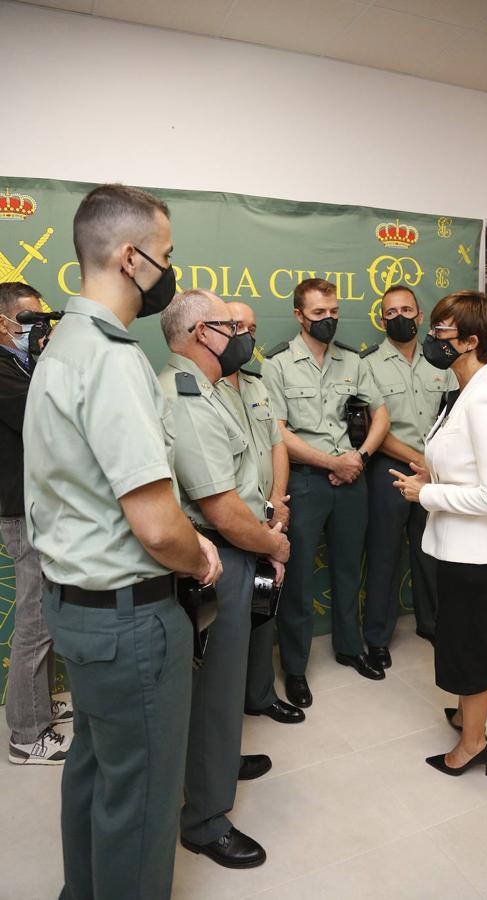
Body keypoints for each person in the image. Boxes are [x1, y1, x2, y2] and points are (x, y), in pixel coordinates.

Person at [23, 184, 220, 900]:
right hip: (129, 620)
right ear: (132, 257)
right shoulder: (110, 358)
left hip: (79, 609)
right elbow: (158, 525)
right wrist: (201, 555)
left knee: (96, 773)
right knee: (138, 805)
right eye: (165, 256)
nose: (169, 270)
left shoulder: (64, 343)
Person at [159, 290, 290, 869]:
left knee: (225, 680)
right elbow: (221, 510)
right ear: (196, 334)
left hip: (237, 548)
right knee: (214, 691)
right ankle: (206, 819)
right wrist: (275, 543)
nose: (238, 333)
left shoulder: (214, 389)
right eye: (225, 325)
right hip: (219, 557)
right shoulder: (186, 395)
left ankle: (220, 763)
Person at [392, 291, 487, 777]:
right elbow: (466, 472)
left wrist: (426, 497)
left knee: (470, 643)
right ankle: (468, 714)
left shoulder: (485, 400)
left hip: (476, 550)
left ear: (469, 342)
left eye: (442, 332)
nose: (431, 338)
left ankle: (473, 743)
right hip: (457, 545)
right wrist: (434, 480)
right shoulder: (464, 391)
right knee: (458, 637)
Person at [261, 278, 389, 709]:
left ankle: (350, 648)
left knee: (350, 569)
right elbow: (278, 432)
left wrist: (360, 459)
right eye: (318, 314)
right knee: (297, 581)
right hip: (305, 481)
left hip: (353, 479)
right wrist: (331, 463)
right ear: (299, 315)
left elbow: (381, 414)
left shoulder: (353, 359)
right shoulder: (277, 364)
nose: (328, 320)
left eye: (333, 312)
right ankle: (295, 668)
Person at [361, 286, 457, 668]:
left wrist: (435, 465)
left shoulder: (441, 362)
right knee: (384, 553)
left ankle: (430, 622)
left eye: (406, 310)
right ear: (381, 319)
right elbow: (373, 429)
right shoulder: (367, 364)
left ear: (420, 317)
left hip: (434, 472)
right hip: (392, 469)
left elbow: (451, 416)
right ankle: (377, 636)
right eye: (390, 311)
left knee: (430, 549)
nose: (399, 316)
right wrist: (419, 460)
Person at [219, 300, 303, 724]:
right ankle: (227, 710)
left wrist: (278, 503)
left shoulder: (255, 384)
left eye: (252, 328)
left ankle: (260, 694)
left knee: (264, 607)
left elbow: (277, 444)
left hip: (270, 513)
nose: (246, 337)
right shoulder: (202, 389)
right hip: (229, 522)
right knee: (227, 624)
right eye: (236, 326)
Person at [0, 282, 72, 766]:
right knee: (35, 621)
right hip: (21, 511)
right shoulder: (2, 370)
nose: (39, 328)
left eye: (43, 318)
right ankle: (26, 733)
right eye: (29, 320)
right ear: (3, 322)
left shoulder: (21, 365)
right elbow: (42, 416)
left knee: (44, 614)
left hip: (38, 505)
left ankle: (39, 707)